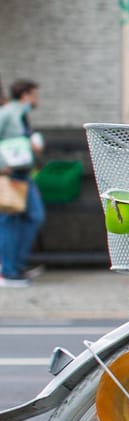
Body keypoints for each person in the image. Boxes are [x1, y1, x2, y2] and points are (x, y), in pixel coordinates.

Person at [0, 79, 46, 287]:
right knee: (10, 220)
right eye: (35, 95)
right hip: (10, 174)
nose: (37, 100)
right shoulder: (8, 113)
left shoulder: (20, 114)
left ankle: (16, 266)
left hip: (23, 173)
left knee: (31, 217)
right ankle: (9, 271)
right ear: (25, 94)